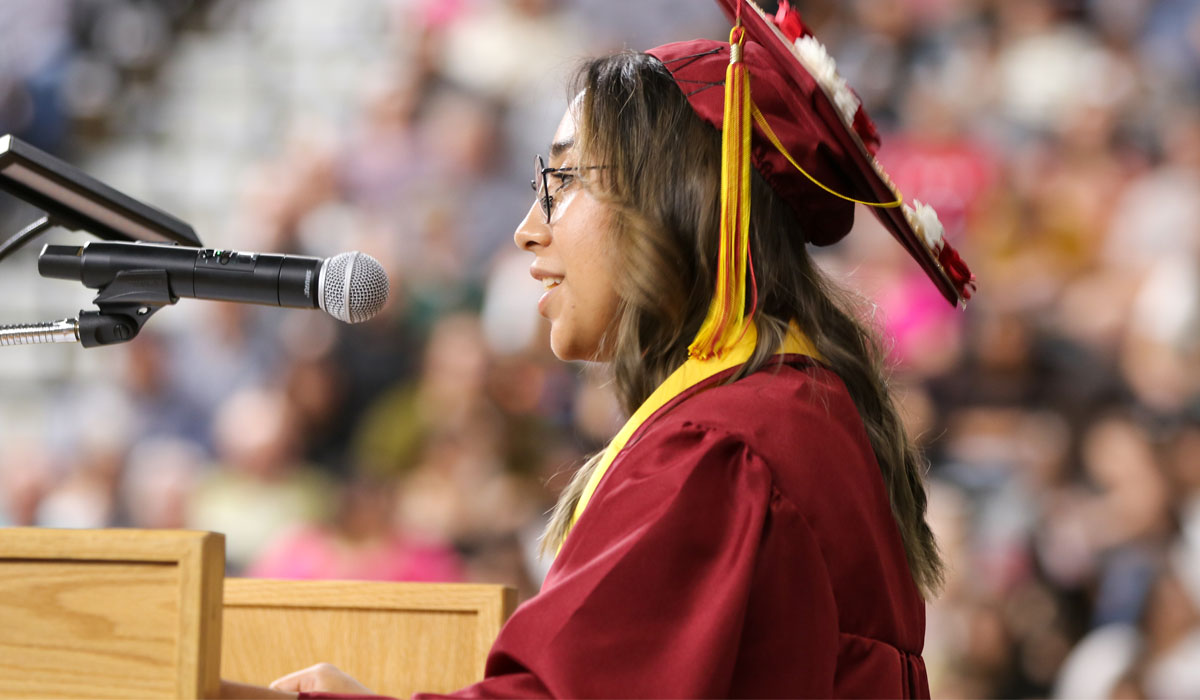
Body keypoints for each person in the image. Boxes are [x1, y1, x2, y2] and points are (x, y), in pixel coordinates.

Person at [226, 1, 975, 697]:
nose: (528, 228)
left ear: (674, 202)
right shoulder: (794, 410)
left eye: (563, 178)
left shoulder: (720, 449)